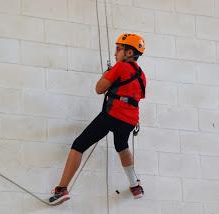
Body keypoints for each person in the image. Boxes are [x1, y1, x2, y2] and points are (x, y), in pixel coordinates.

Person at [49, 33, 146, 206]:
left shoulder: (120, 67)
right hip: (130, 121)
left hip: (112, 116)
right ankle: (135, 185)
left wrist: (106, 75)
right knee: (122, 146)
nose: (115, 53)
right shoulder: (142, 75)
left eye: (118, 49)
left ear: (129, 53)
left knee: (79, 145)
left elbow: (99, 89)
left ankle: (61, 189)